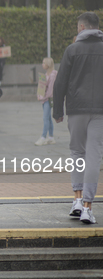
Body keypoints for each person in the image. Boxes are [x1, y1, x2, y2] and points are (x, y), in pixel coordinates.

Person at [53, 12, 103, 225]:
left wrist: (57, 111)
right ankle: (87, 207)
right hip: (100, 111)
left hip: (76, 109)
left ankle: (76, 199)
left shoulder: (71, 50)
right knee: (94, 157)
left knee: (77, 153)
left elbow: (60, 82)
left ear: (82, 27)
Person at [35, 57, 57, 146]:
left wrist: (42, 97)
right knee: (48, 118)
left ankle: (43, 137)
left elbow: (50, 91)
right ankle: (51, 137)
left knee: (45, 118)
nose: (42, 64)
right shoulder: (47, 74)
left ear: (48, 65)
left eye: (44, 63)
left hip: (48, 99)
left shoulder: (52, 75)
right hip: (44, 99)